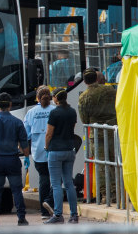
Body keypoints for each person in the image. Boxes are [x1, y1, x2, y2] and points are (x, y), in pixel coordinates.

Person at [0, 92, 30, 227]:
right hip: (13, 160)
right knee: (16, 190)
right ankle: (21, 218)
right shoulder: (17, 122)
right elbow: (24, 143)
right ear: (10, 105)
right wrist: (26, 157)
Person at [78, 67, 117, 202]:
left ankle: (108, 194)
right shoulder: (110, 90)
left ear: (84, 81)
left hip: (97, 134)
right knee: (116, 162)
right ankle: (120, 191)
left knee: (101, 165)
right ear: (97, 78)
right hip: (114, 130)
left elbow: (84, 119)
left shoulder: (84, 97)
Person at [44, 88, 79, 224]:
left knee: (56, 184)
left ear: (56, 98)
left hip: (55, 151)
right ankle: (74, 215)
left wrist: (46, 146)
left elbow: (49, 133)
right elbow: (72, 128)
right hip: (69, 150)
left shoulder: (54, 113)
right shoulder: (72, 112)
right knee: (69, 183)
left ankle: (58, 215)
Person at [23, 86, 55, 219]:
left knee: (43, 179)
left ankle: (44, 211)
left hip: (38, 152)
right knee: (56, 180)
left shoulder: (31, 112)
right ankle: (50, 202)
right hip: (54, 150)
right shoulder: (54, 110)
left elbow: (26, 134)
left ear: (37, 97)